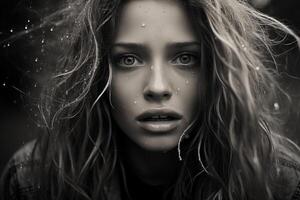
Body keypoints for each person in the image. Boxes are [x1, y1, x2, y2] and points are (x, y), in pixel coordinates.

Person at [1, 0, 300, 199]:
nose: (157, 87)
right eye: (129, 59)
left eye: (186, 57)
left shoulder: (280, 184)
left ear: (219, 69)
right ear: (92, 74)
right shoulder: (36, 180)